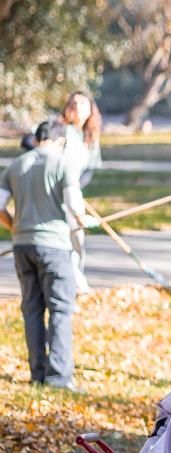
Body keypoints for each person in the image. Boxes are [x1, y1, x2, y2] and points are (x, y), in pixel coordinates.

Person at [0, 120, 98, 390]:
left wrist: (16, 227)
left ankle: (37, 374)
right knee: (60, 310)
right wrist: (83, 221)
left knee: (32, 309)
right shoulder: (62, 163)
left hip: (22, 246)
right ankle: (59, 377)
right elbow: (74, 206)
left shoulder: (15, 166)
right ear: (60, 141)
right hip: (54, 245)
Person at [61, 91, 102, 294]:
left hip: (74, 192)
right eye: (74, 103)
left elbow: (89, 171)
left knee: (76, 239)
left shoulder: (90, 139)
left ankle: (76, 281)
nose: (78, 108)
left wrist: (75, 187)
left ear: (90, 110)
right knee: (60, 238)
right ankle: (75, 285)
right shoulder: (59, 132)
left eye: (83, 104)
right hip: (55, 193)